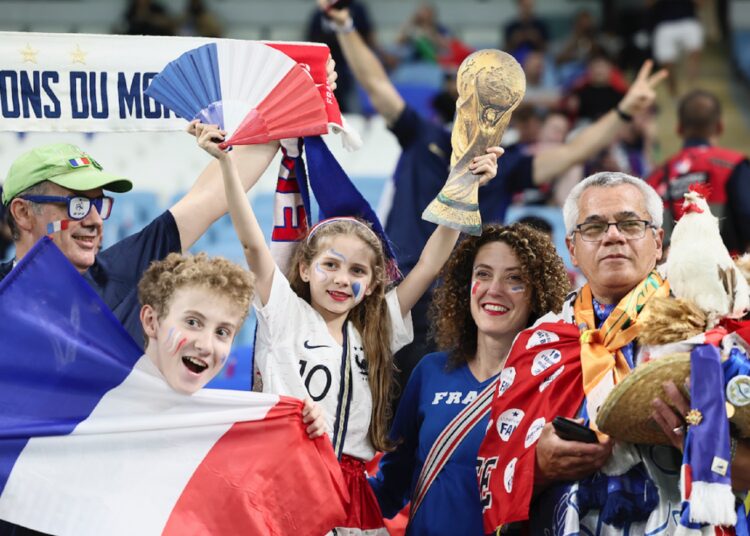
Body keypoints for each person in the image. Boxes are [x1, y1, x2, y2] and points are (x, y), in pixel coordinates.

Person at [320, 0, 667, 392]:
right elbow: (376, 85)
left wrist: (623, 111)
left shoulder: (507, 163)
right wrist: (345, 25)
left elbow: (572, 152)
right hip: (402, 297)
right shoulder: (422, 137)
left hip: (469, 306)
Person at [192, 120, 499, 533]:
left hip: (351, 493)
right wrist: (228, 165)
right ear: (304, 268)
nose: (341, 279)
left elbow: (428, 265)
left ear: (372, 283)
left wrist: (465, 186)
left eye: (357, 270)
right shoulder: (283, 313)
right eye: (330, 265)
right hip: (283, 483)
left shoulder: (377, 326)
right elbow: (251, 244)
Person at [478, 171, 750, 533]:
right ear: (572, 249)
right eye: (593, 228)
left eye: (629, 223)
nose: (612, 236)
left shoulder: (711, 325)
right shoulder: (537, 343)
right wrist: (539, 466)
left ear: (657, 240)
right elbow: (494, 471)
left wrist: (708, 446)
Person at [0, 55, 338, 345]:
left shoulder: (123, 271)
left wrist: (296, 91)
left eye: (98, 204)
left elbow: (209, 196)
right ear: (23, 213)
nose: (94, 220)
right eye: (76, 205)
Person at [0, 251, 329, 535]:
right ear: (151, 321)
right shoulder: (88, 401)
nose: (205, 344)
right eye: (193, 322)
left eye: (222, 332)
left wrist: (304, 428)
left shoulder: (220, 424)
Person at [369, 223, 570, 535]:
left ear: (537, 293)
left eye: (515, 278)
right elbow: (390, 487)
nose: (495, 289)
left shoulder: (548, 381)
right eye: (483, 274)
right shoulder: (430, 372)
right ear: (466, 285)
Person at [646, 89, 750, 254]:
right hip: (729, 273)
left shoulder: (655, 177)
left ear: (679, 128)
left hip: (671, 275)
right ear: (720, 126)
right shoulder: (733, 165)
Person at [649, 0, 704, 95]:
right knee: (667, 64)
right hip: (664, 23)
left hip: (688, 20)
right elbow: (648, 4)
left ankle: (692, 90)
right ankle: (674, 93)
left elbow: (701, 3)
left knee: (694, 52)